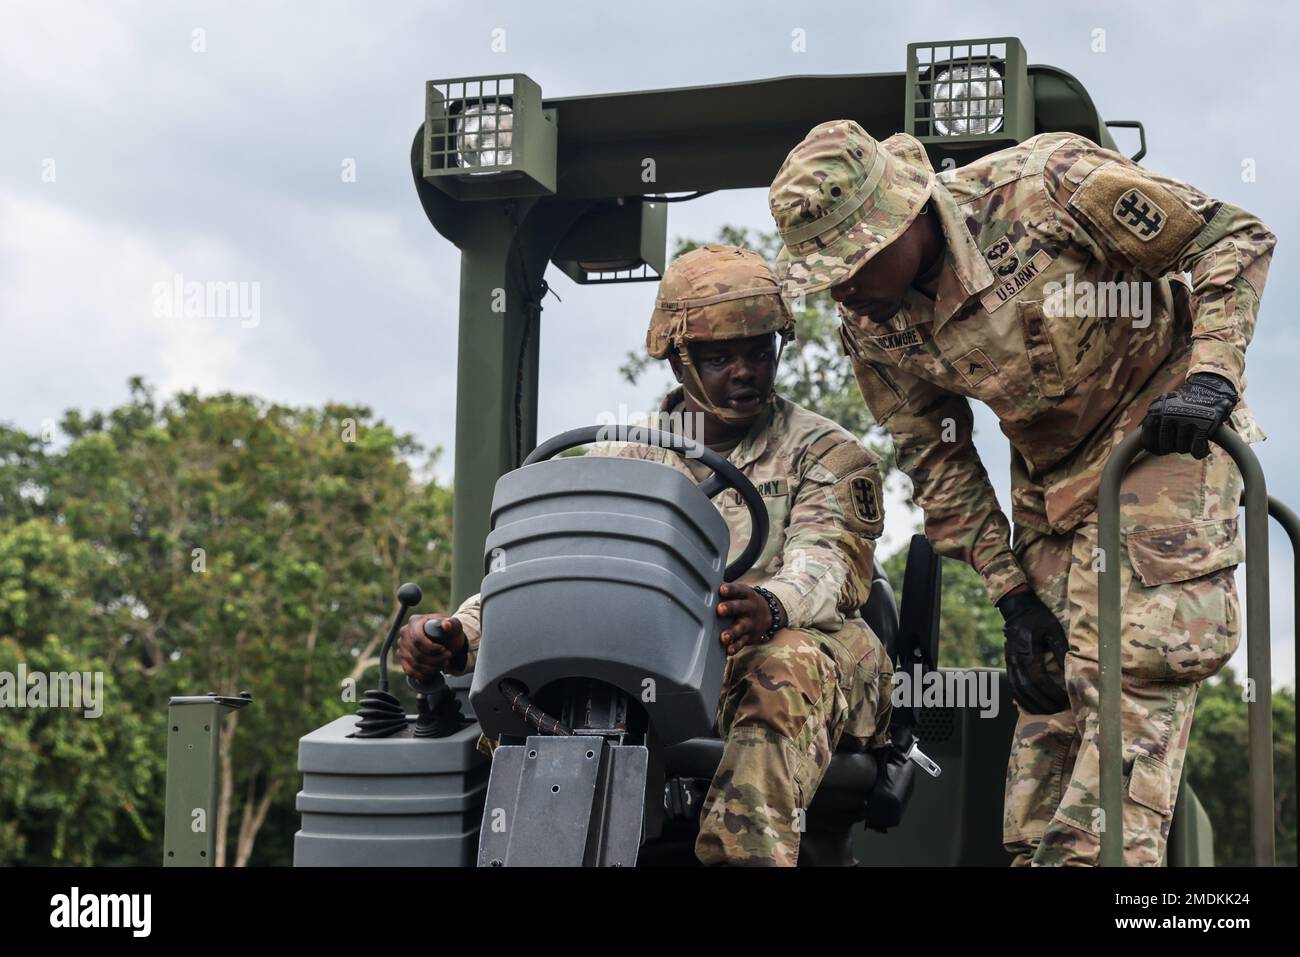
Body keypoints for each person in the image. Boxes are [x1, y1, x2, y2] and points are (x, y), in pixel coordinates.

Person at [767, 119, 1274, 866]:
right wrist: (1010, 595)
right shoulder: (869, 319)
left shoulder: (1047, 188)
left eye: (850, 260)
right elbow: (934, 454)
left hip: (1165, 434)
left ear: (904, 217)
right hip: (1052, 480)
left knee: (1135, 665)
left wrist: (1211, 377)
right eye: (825, 271)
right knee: (1048, 701)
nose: (842, 286)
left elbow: (1233, 236)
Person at [398, 243, 893, 866]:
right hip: (655, 659)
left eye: (758, 352)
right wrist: (461, 633)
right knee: (547, 675)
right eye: (719, 358)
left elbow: (830, 566)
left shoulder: (828, 453)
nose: (744, 372)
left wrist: (771, 604)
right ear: (678, 359)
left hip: (800, 649)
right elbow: (546, 575)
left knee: (782, 664)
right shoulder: (620, 464)